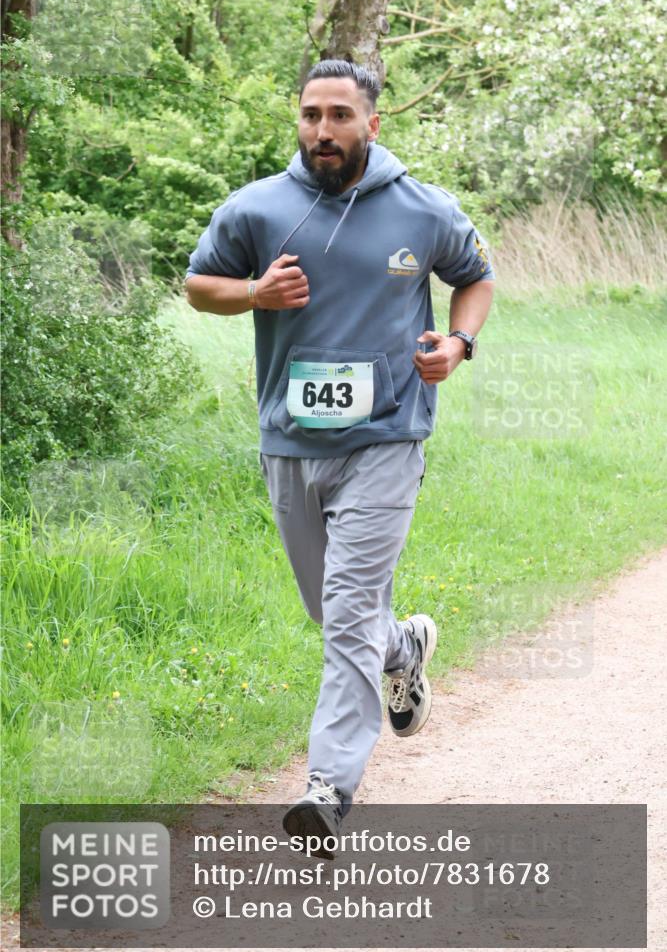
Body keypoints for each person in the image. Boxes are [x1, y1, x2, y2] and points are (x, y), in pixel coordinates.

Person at [184, 58, 495, 858]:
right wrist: (253, 294)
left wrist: (457, 344)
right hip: (289, 440)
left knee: (349, 608)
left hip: (387, 437)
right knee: (334, 613)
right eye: (310, 115)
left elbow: (475, 278)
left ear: (371, 124)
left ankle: (327, 790)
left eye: (339, 116)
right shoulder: (257, 207)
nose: (322, 130)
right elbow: (198, 285)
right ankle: (404, 648)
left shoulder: (422, 208)